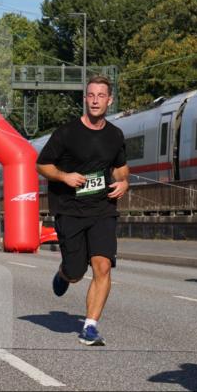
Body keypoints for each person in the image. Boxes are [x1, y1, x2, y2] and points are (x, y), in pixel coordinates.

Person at [36, 75, 129, 346]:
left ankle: (90, 326)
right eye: (91, 95)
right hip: (70, 209)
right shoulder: (66, 133)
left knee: (103, 266)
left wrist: (124, 182)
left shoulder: (115, 135)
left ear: (109, 100)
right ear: (85, 99)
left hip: (103, 209)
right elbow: (41, 165)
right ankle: (65, 273)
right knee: (77, 271)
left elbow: (121, 168)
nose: (96, 100)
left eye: (101, 95)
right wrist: (65, 177)